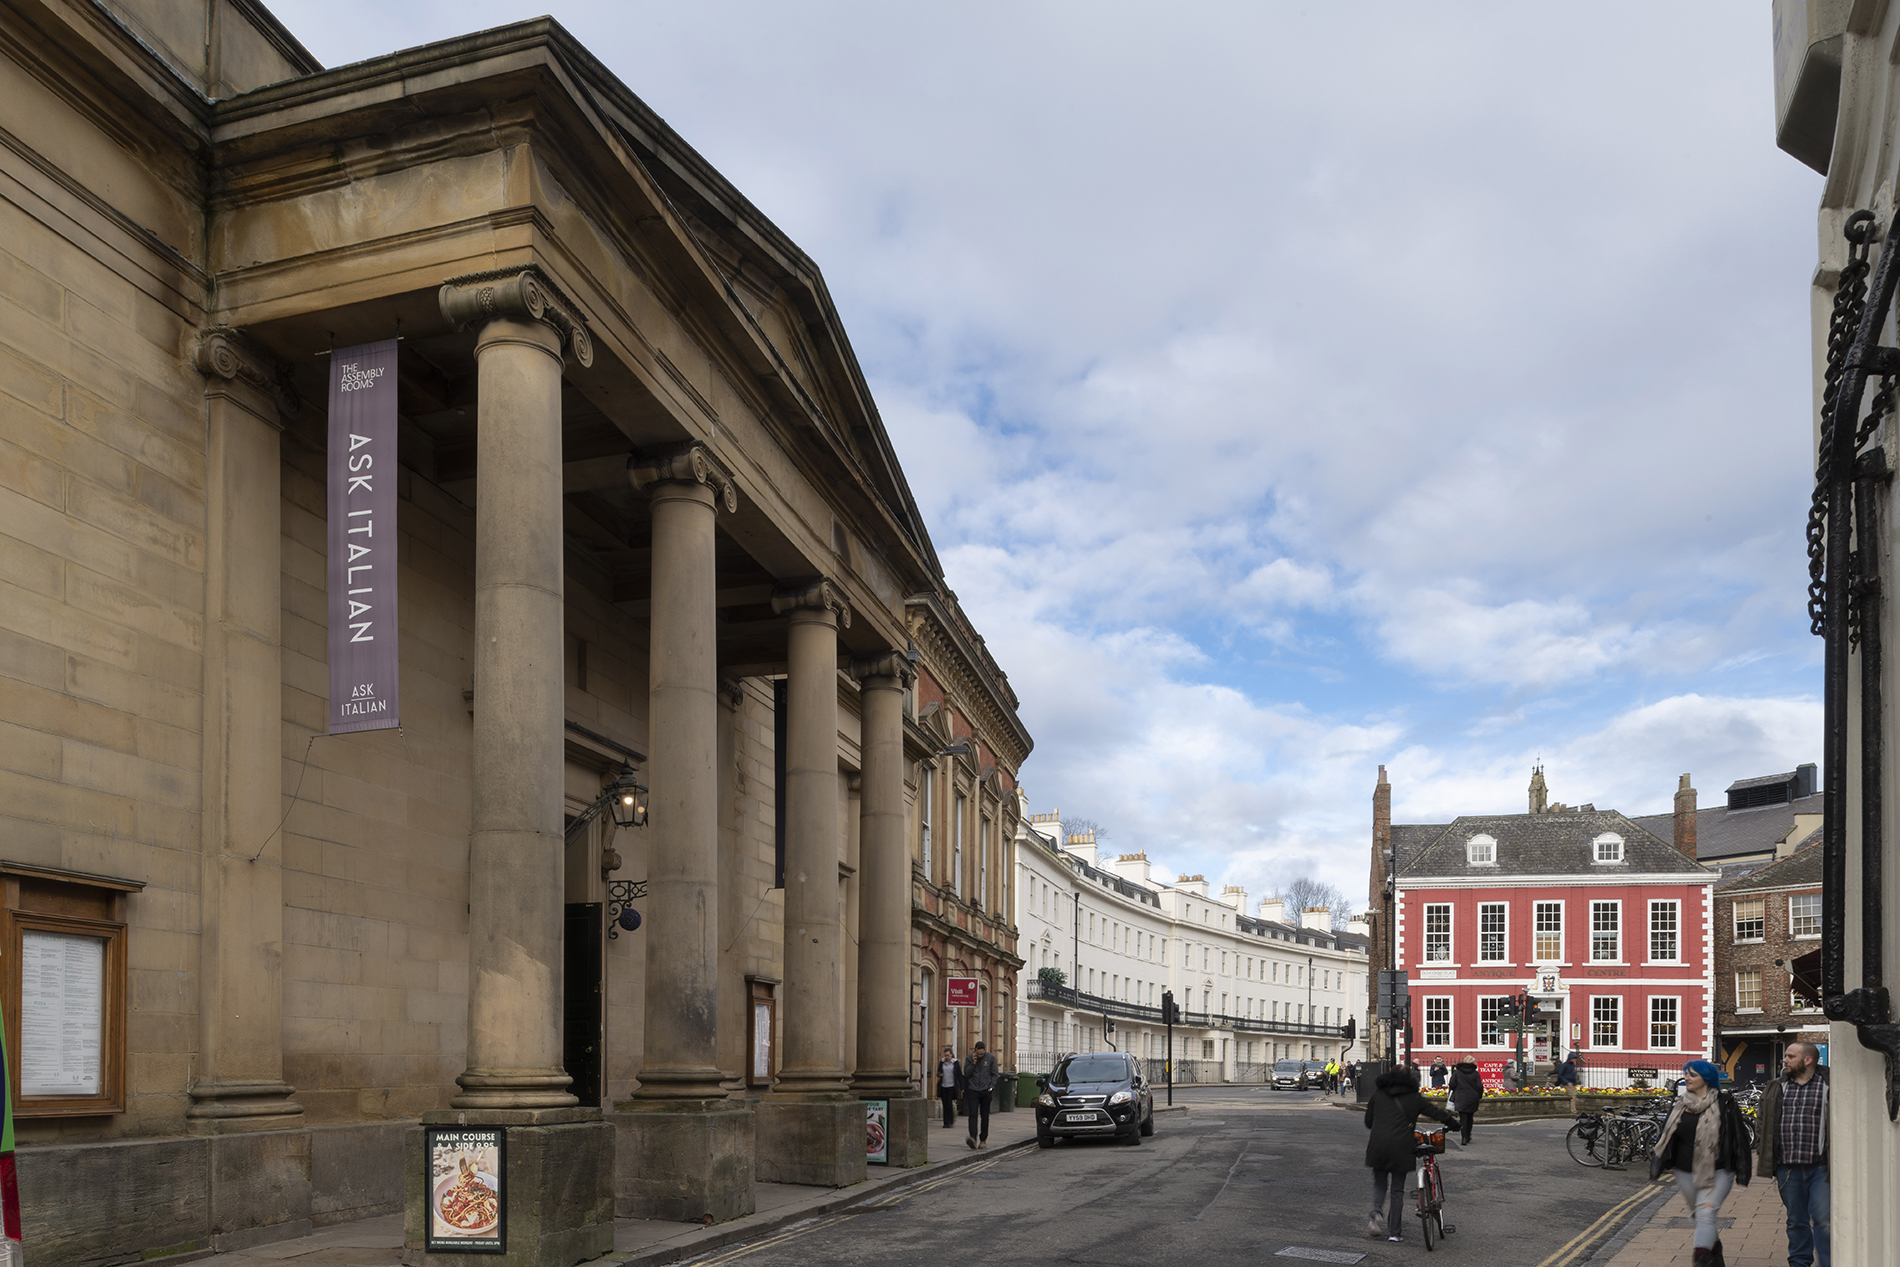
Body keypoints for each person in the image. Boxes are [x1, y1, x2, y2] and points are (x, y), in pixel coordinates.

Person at [1648, 1059, 1751, 1266]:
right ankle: (1715, 1250)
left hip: (1719, 1170)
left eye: (1692, 1074)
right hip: (1684, 1171)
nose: (1687, 1077)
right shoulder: (1680, 1104)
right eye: (1686, 1073)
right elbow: (1667, 1137)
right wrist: (1659, 1164)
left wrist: (1742, 1170)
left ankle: (1700, 1260)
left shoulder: (1725, 1103)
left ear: (1707, 1078)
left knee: (1706, 1212)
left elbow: (1739, 1138)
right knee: (1701, 1216)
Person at [1756, 1040, 1829, 1267]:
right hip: (1787, 1167)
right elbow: (1762, 1120)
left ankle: (1828, 1262)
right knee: (1796, 1220)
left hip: (1821, 1167)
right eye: (1785, 1056)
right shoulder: (1776, 1086)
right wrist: (1763, 1146)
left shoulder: (1829, 1084)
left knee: (1823, 1218)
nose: (1784, 1060)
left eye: (1790, 1056)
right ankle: (1799, 1262)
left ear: (1808, 1060)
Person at [1364, 1065, 1456, 1243]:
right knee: (1397, 1189)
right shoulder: (1414, 1097)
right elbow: (1435, 1112)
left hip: (1378, 1145)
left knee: (1380, 1184)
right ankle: (1394, 1233)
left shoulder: (1379, 1094)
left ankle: (1376, 1213)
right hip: (1402, 1146)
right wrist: (1454, 1124)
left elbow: (1368, 1122)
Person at [962, 1040, 999, 1150]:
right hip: (973, 1090)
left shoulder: (991, 1058)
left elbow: (995, 1074)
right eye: (978, 1054)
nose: (980, 1056)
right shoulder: (969, 1058)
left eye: (982, 1054)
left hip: (985, 1090)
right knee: (972, 1114)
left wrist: (991, 1086)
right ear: (975, 1051)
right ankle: (973, 1139)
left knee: (985, 1116)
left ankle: (983, 1140)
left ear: (984, 1051)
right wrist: (973, 1063)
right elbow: (966, 1074)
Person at [1447, 1054, 1483, 1147]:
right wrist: (1479, 1096)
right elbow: (1479, 1086)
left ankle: (1464, 1138)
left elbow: (1452, 1084)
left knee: (1463, 1118)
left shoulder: (1457, 1072)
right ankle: (1468, 1135)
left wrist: (1457, 1089)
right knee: (1470, 1117)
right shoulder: (1475, 1073)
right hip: (1473, 1097)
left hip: (1461, 1097)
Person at [935, 1046, 962, 1128]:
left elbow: (959, 1075)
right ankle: (945, 1122)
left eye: (948, 1055)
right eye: (945, 1055)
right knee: (944, 1104)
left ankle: (950, 1121)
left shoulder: (955, 1063)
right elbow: (938, 1072)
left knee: (949, 1104)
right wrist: (939, 1074)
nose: (947, 1057)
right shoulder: (942, 1062)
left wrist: (962, 1087)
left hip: (951, 1086)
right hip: (943, 1085)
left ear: (951, 1055)